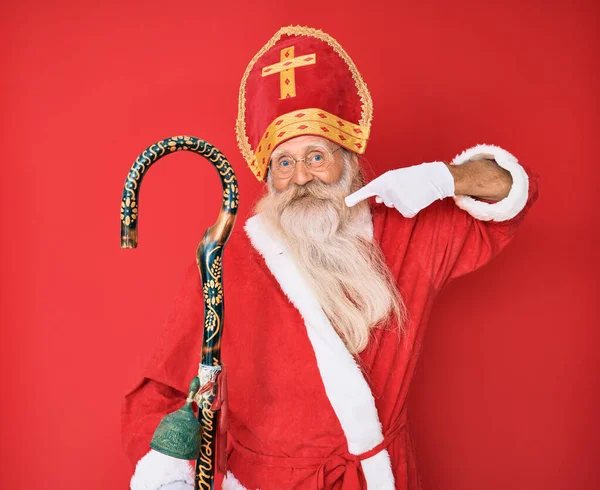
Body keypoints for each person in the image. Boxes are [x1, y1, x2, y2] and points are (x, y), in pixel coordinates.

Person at [122, 26, 540, 490]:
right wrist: (169, 469)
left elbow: (510, 195)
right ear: (268, 175)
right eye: (284, 162)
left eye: (317, 156)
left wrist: (444, 178)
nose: (301, 176)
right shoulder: (230, 257)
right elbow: (162, 389)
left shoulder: (405, 232)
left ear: (349, 161)